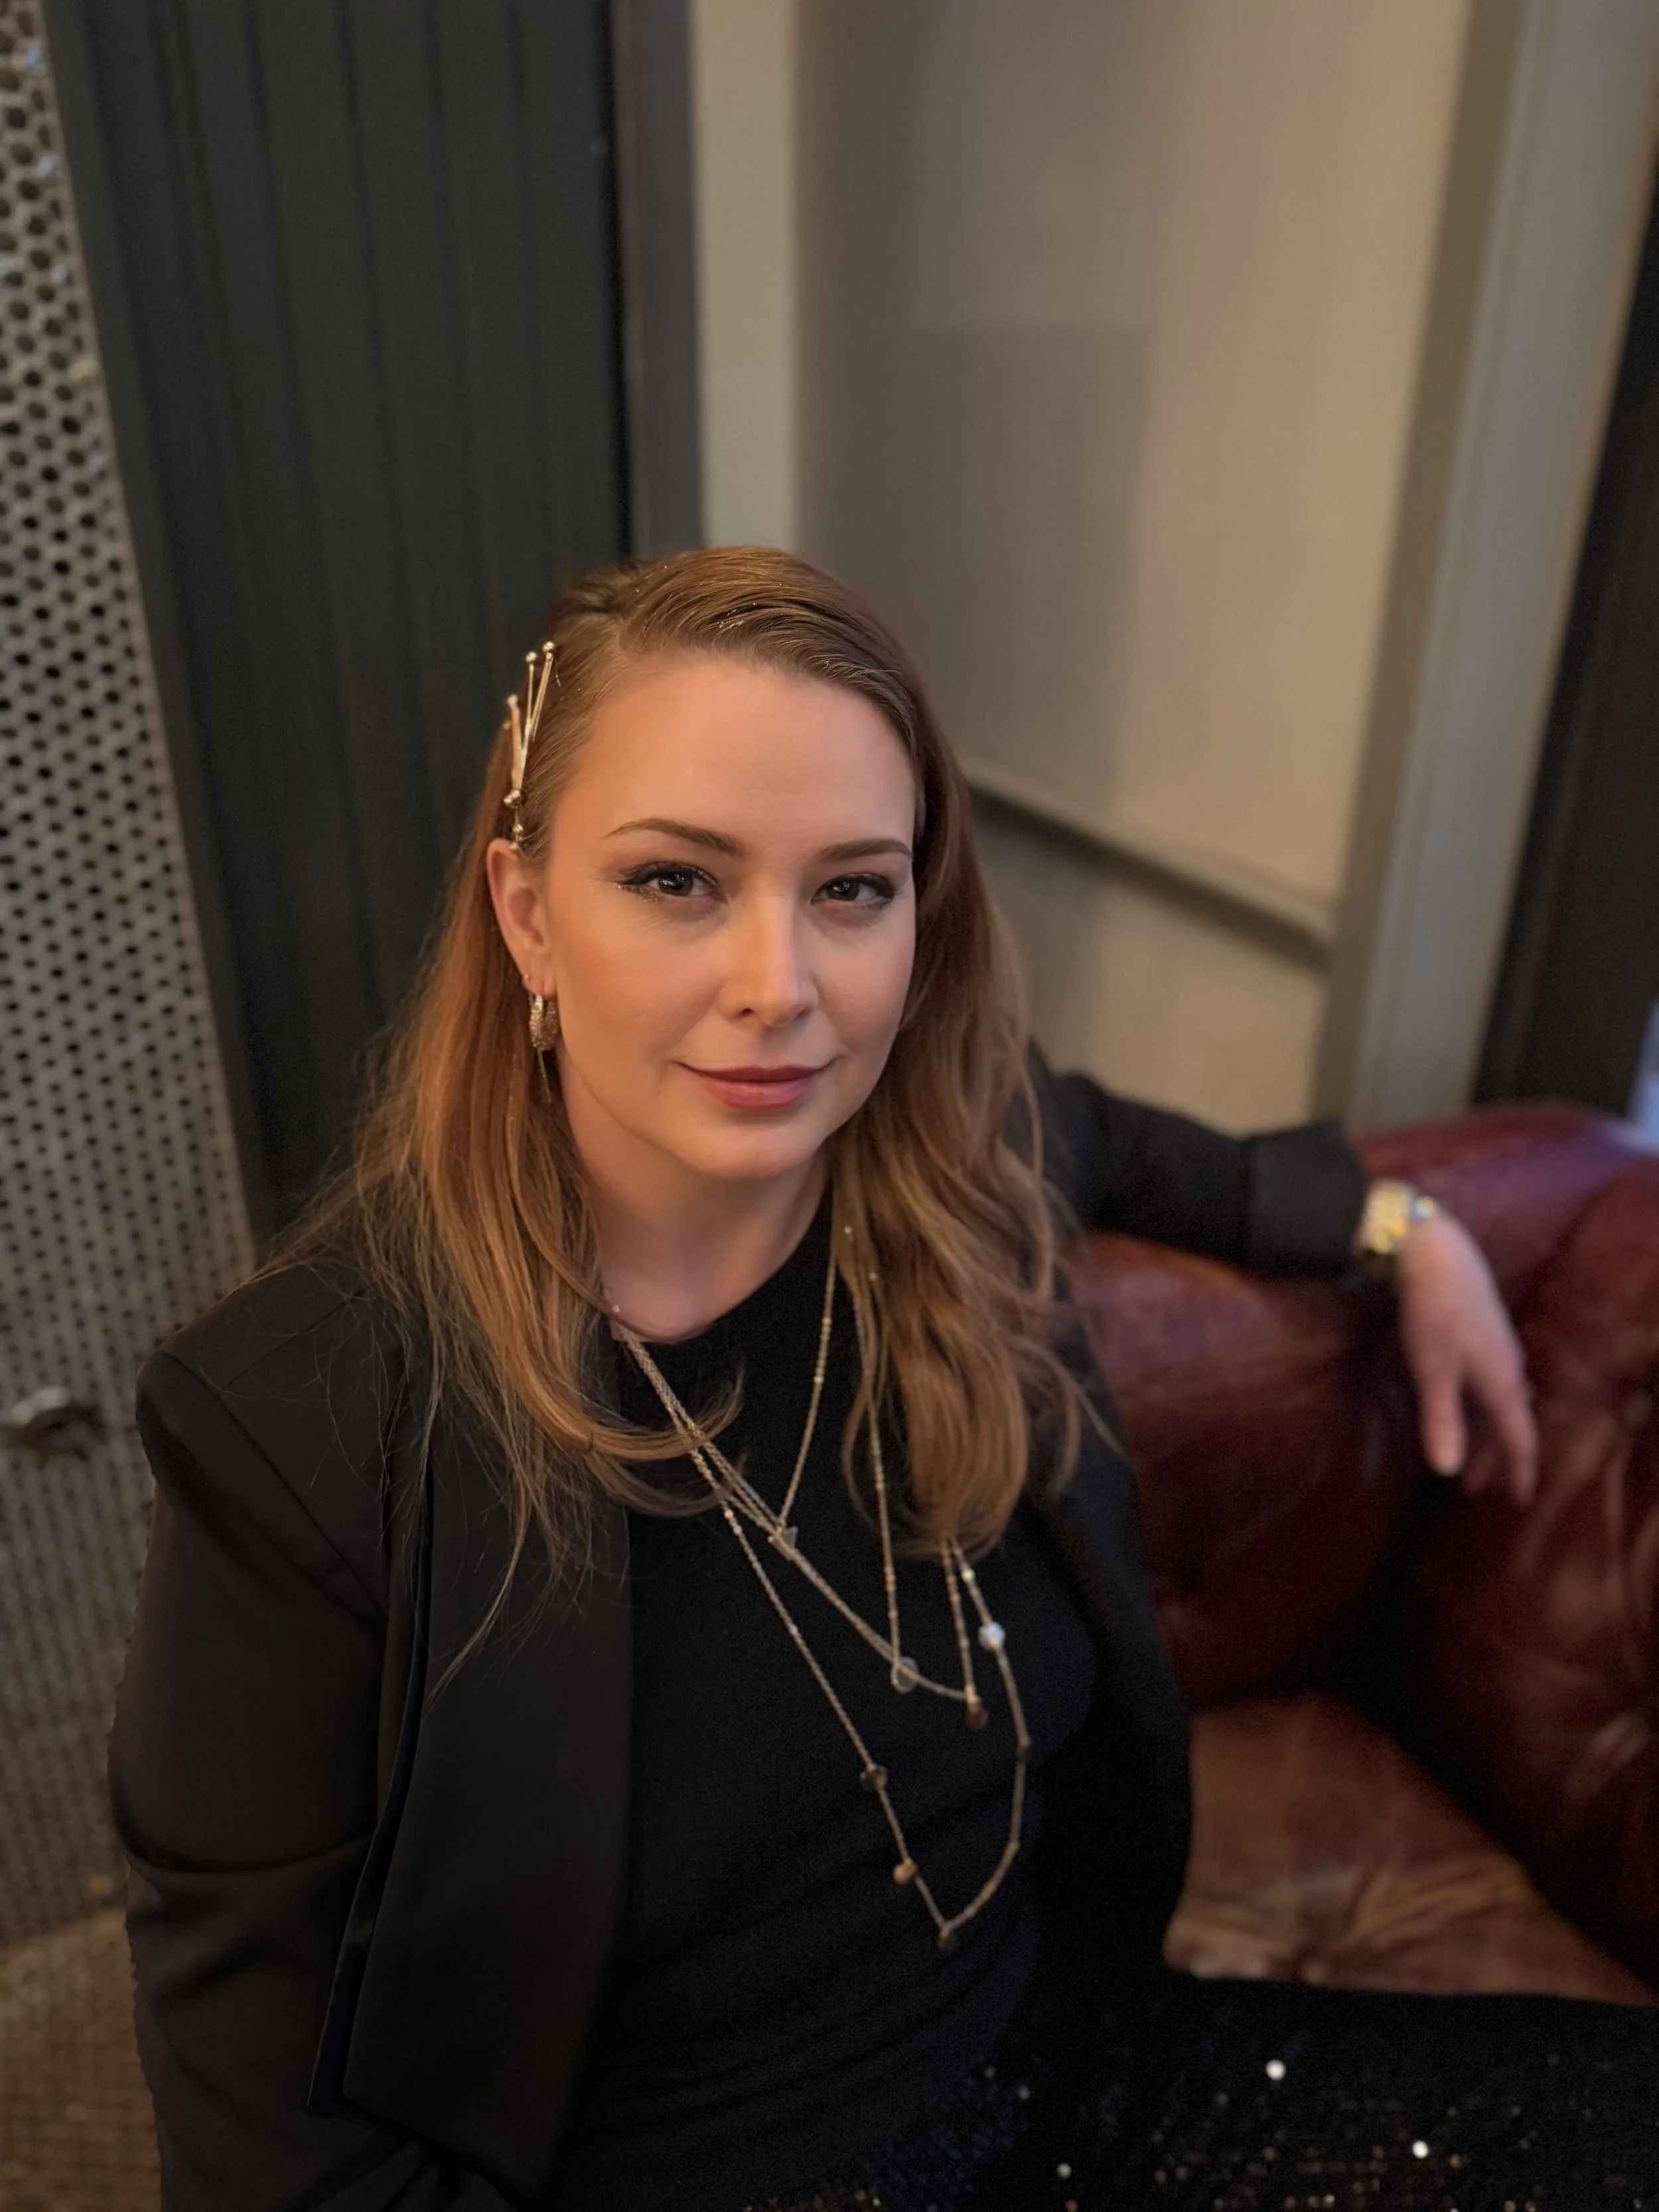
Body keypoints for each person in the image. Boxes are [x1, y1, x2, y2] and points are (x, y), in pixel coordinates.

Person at [111, 549, 1654, 2212]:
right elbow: (282, 2164)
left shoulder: (953, 1177)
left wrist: (1399, 1221)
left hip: (1080, 2069)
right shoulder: (298, 1435)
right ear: (528, 910)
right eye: (676, 881)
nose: (780, 987)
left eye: (852, 887)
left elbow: (1134, 1147)